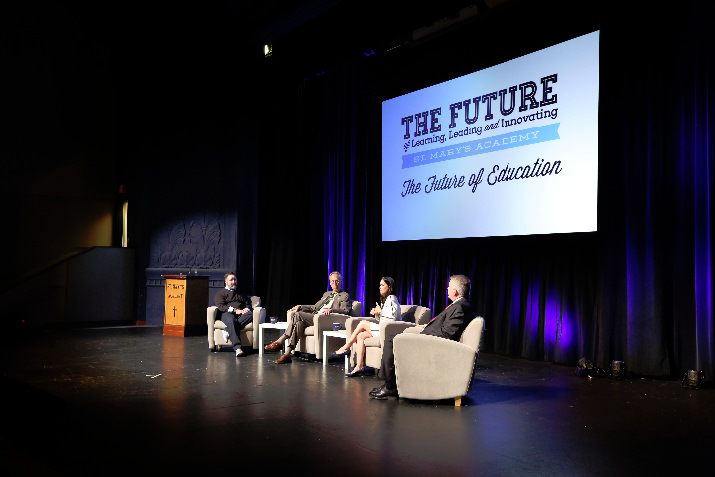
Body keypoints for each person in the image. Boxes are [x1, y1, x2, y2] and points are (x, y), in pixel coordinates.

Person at [370, 274, 475, 400]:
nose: (447, 289)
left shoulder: (460, 307)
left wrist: (422, 336)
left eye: (449, 286)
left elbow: (446, 335)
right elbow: (445, 327)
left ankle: (390, 386)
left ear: (455, 291)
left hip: (432, 345)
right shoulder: (460, 305)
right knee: (394, 338)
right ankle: (390, 384)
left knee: (391, 340)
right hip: (430, 338)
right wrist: (427, 326)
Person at [265, 271, 351, 364]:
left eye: (337, 281)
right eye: (332, 281)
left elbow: (345, 311)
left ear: (341, 282)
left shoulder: (344, 295)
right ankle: (287, 354)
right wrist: (301, 306)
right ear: (330, 283)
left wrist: (332, 310)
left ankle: (281, 340)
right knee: (299, 323)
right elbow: (314, 307)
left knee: (297, 315)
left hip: (326, 319)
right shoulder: (326, 294)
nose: (335, 283)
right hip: (315, 317)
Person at [332, 276, 401, 377]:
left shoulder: (392, 298)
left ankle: (347, 346)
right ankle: (359, 366)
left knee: (363, 323)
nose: (379, 287)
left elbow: (392, 318)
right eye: (380, 285)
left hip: (388, 331)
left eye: (382, 285)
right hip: (382, 328)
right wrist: (377, 314)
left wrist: (380, 312)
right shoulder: (386, 300)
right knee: (361, 336)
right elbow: (382, 319)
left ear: (389, 287)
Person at [215, 272, 253, 357]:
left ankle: (227, 330)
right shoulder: (221, 293)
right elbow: (221, 306)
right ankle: (237, 348)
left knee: (250, 315)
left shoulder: (241, 292)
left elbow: (248, 304)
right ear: (226, 282)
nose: (233, 281)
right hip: (226, 314)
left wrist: (245, 310)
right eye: (231, 280)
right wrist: (235, 311)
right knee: (232, 321)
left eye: (235, 279)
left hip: (241, 314)